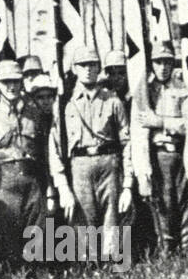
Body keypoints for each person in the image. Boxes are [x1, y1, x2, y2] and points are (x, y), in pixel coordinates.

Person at [49, 46, 133, 232]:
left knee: (111, 218)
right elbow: (54, 146)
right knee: (82, 222)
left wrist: (127, 183)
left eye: (92, 65)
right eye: (82, 65)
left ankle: (111, 260)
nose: (88, 69)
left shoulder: (112, 101)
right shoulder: (65, 103)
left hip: (109, 164)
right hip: (79, 165)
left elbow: (127, 144)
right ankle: (87, 261)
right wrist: (62, 185)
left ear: (99, 68)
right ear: (74, 68)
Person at [133, 41, 188, 256]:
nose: (163, 67)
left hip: (181, 155)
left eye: (167, 62)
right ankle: (167, 253)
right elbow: (138, 132)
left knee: (185, 205)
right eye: (158, 62)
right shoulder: (144, 91)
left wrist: (161, 122)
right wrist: (143, 171)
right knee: (162, 205)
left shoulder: (182, 90)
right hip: (157, 156)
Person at [0, 60, 50, 271]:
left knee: (37, 235)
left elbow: (46, 152)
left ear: (21, 83)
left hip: (32, 181)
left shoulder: (36, 113)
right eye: (5, 82)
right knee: (8, 237)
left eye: (15, 81)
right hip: (5, 183)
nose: (11, 87)